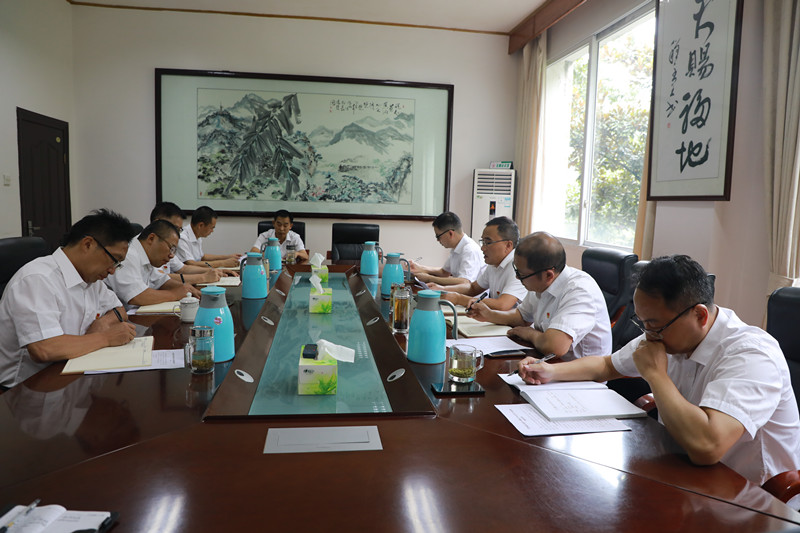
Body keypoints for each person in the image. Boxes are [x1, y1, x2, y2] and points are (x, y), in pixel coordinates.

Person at [517, 255, 800, 485]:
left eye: (653, 324)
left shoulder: (751, 354)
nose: (648, 334)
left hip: (752, 496)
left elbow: (708, 447)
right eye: (642, 323)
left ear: (699, 315)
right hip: (682, 469)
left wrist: (656, 375)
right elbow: (606, 365)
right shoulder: (668, 332)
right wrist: (549, 371)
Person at [0, 209, 138, 389]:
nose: (113, 270)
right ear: (88, 244)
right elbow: (44, 348)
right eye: (114, 260)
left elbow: (119, 310)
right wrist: (104, 337)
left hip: (70, 373)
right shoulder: (38, 279)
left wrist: (103, 323)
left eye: (117, 265)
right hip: (26, 389)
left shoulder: (91, 279)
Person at [469, 232, 610, 360]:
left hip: (580, 375)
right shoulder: (539, 282)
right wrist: (490, 314)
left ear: (548, 275)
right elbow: (522, 317)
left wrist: (530, 334)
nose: (517, 278)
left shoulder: (579, 291)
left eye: (521, 274)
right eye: (516, 271)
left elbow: (555, 347)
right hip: (547, 362)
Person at [429, 216, 527, 311]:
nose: (482, 248)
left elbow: (502, 305)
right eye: (482, 242)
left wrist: (458, 299)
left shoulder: (518, 266)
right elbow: (473, 288)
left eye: (488, 242)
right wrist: (443, 289)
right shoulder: (494, 264)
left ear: (508, 245)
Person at [105, 219, 200, 308]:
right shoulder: (128, 255)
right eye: (171, 248)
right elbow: (137, 296)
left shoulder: (148, 256)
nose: (171, 256)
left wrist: (186, 288)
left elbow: (161, 281)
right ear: (151, 238)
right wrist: (175, 294)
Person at [149, 202, 235, 284]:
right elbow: (160, 277)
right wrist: (204, 277)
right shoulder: (180, 239)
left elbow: (183, 268)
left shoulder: (166, 246)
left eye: (179, 229)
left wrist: (215, 270)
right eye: (174, 228)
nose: (177, 234)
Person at [410, 211, 484, 286]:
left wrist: (430, 278)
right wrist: (420, 268)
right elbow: (444, 272)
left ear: (450, 233)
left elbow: (464, 282)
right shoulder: (456, 247)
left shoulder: (470, 250)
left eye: (438, 236)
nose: (437, 240)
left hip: (470, 293)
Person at [175, 206, 241, 268]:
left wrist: (227, 257)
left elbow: (202, 257)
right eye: (211, 228)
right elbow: (191, 264)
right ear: (200, 225)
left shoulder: (196, 235)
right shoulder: (182, 238)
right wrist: (223, 263)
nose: (212, 231)